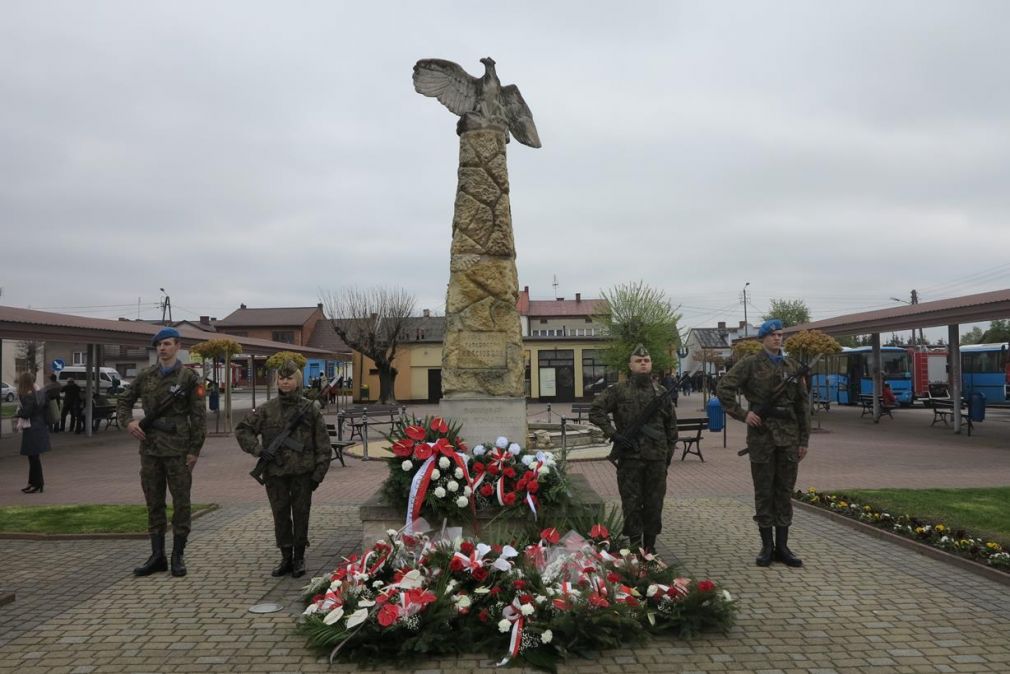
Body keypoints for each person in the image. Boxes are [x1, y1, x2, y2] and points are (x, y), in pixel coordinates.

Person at [717, 319, 809, 568]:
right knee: (764, 491)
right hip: (762, 437)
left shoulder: (793, 366)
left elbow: (802, 406)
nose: (778, 338)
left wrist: (804, 440)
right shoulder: (750, 364)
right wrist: (743, 414)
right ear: (764, 338)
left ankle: (783, 547)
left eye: (780, 335)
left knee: (784, 492)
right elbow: (723, 388)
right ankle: (767, 547)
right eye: (773, 335)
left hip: (788, 438)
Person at [117, 327, 207, 578]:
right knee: (153, 502)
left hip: (178, 450)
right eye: (159, 345)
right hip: (150, 448)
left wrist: (194, 450)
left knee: (181, 504)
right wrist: (128, 422)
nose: (162, 348)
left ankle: (178, 555)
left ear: (178, 346)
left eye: (167, 344)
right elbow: (124, 400)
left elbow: (198, 417)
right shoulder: (146, 375)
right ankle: (157, 556)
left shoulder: (188, 378)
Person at [236, 359, 330, 578]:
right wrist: (258, 450)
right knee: (280, 515)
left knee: (301, 514)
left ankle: (299, 558)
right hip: (275, 473)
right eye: (281, 378)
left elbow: (323, 445)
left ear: (297, 381)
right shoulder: (267, 410)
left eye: (289, 378)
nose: (285, 382)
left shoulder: (310, 408)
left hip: (302, 472)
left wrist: (318, 474)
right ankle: (285, 557)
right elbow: (243, 430)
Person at [589, 344, 678, 554]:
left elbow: (671, 428)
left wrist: (667, 457)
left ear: (651, 364)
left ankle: (651, 547)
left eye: (646, 361)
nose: (643, 364)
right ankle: (636, 547)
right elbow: (596, 411)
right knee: (631, 504)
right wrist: (614, 434)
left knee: (654, 503)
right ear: (630, 365)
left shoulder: (662, 392)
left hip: (656, 459)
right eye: (638, 361)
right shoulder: (619, 391)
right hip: (630, 459)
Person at [16, 371, 51, 493]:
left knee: (33, 458)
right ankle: (33, 483)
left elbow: (26, 413)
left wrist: (18, 413)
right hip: (39, 427)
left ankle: (37, 483)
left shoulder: (29, 395)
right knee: (34, 458)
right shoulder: (40, 392)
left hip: (32, 428)